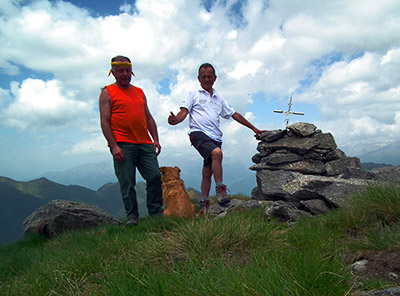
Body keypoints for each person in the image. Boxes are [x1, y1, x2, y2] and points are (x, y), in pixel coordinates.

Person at [168, 63, 266, 210]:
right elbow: (183, 112)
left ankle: (204, 203)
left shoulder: (218, 98)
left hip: (215, 137)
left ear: (215, 78)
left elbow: (234, 114)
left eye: (209, 76)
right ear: (198, 78)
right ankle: (220, 190)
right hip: (198, 133)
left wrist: (253, 128)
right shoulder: (193, 93)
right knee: (217, 153)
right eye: (203, 77)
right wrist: (176, 120)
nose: (206, 79)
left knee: (207, 171)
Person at [99, 55, 163, 225]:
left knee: (155, 176)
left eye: (128, 70)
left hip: (144, 142)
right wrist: (113, 146)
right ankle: (132, 217)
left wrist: (155, 139)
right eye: (121, 71)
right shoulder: (107, 92)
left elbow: (148, 117)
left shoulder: (139, 92)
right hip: (122, 143)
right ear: (113, 73)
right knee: (127, 181)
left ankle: (156, 213)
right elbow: (104, 121)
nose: (125, 74)